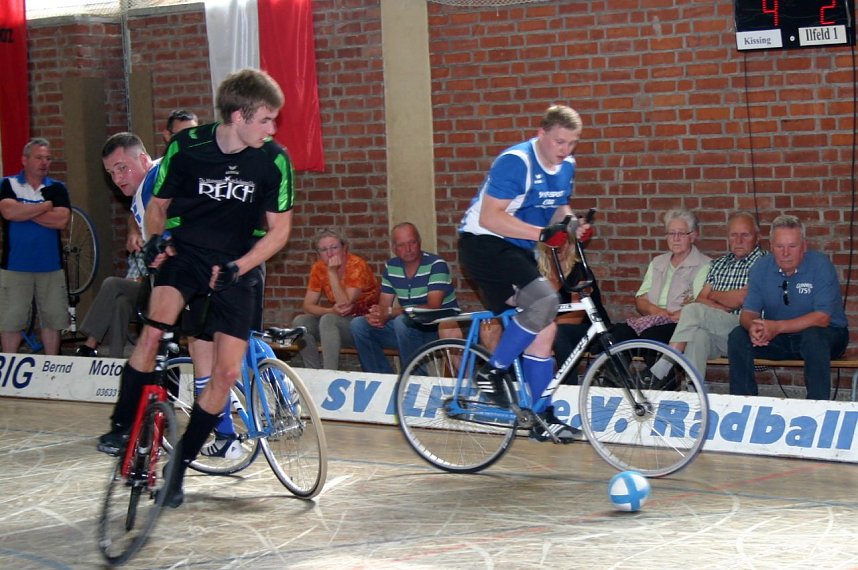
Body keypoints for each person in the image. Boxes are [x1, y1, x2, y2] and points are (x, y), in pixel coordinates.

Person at [97, 68, 295, 510]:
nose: (272, 129)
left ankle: (180, 465)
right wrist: (155, 240)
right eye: (265, 119)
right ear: (238, 115)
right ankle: (121, 424)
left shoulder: (274, 160)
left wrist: (239, 266)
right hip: (184, 254)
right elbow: (158, 207)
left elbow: (279, 233)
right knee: (152, 330)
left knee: (224, 375)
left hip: (237, 265)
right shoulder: (187, 147)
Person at [457, 104, 590, 441]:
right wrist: (543, 235)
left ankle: (542, 416)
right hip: (483, 244)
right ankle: (493, 371)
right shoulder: (515, 162)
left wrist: (572, 224)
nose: (566, 150)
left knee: (545, 330)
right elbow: (489, 217)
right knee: (545, 303)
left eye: (572, 143)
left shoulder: (566, 166)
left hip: (515, 248)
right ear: (541, 133)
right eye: (559, 142)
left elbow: (559, 207)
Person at [75, 123, 197, 358]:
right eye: (111, 173)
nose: (117, 178)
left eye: (122, 168)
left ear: (143, 160)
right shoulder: (150, 181)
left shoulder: (152, 183)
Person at [728, 214, 848, 400]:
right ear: (771, 247)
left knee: (813, 336)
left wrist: (777, 327)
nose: (785, 253)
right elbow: (748, 312)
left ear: (804, 247)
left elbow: (822, 318)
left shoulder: (820, 265)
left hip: (827, 335)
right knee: (738, 335)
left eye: (792, 246)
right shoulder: (761, 268)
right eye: (779, 247)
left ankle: (817, 407)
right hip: (780, 337)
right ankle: (743, 404)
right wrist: (753, 327)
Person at [649, 211, 767, 383]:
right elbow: (702, 298)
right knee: (697, 336)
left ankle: (668, 359)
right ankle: (694, 390)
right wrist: (722, 303)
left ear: (757, 238)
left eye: (745, 235)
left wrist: (714, 296)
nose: (739, 240)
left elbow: (741, 299)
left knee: (692, 310)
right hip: (718, 332)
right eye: (734, 235)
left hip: (743, 326)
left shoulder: (764, 262)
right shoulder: (719, 264)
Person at [350, 222, 459, 373]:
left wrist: (392, 312)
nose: (408, 249)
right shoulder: (391, 266)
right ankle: (383, 381)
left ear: (419, 242)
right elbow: (384, 306)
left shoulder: (436, 264)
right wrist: (378, 316)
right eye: (401, 245)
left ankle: (415, 380)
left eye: (412, 242)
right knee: (359, 325)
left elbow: (433, 307)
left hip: (435, 330)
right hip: (407, 332)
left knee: (402, 321)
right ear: (394, 249)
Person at [0, 138, 71, 355]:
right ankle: (8, 372)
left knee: (52, 320)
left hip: (50, 265)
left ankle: (53, 368)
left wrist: (26, 211)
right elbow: (9, 212)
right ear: (25, 159)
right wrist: (45, 207)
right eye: (39, 157)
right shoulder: (8, 184)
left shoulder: (57, 188)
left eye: (48, 158)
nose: (44, 162)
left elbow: (60, 220)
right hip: (15, 265)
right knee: (11, 321)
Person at [608, 208, 711, 345]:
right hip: (654, 319)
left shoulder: (705, 265)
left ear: (693, 236)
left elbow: (699, 304)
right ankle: (621, 368)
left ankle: (653, 368)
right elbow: (641, 300)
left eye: (681, 233)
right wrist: (655, 310)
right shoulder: (658, 262)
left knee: (652, 337)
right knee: (617, 335)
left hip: (681, 324)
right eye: (671, 233)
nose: (675, 239)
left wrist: (669, 315)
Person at [293, 228, 380, 369]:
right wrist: (330, 310)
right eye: (323, 250)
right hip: (339, 320)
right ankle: (312, 372)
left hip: (362, 324)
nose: (330, 253)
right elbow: (308, 305)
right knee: (301, 321)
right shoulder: (318, 268)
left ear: (344, 248)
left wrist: (332, 273)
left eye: (334, 247)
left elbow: (345, 304)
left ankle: (329, 373)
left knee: (328, 320)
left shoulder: (356, 265)